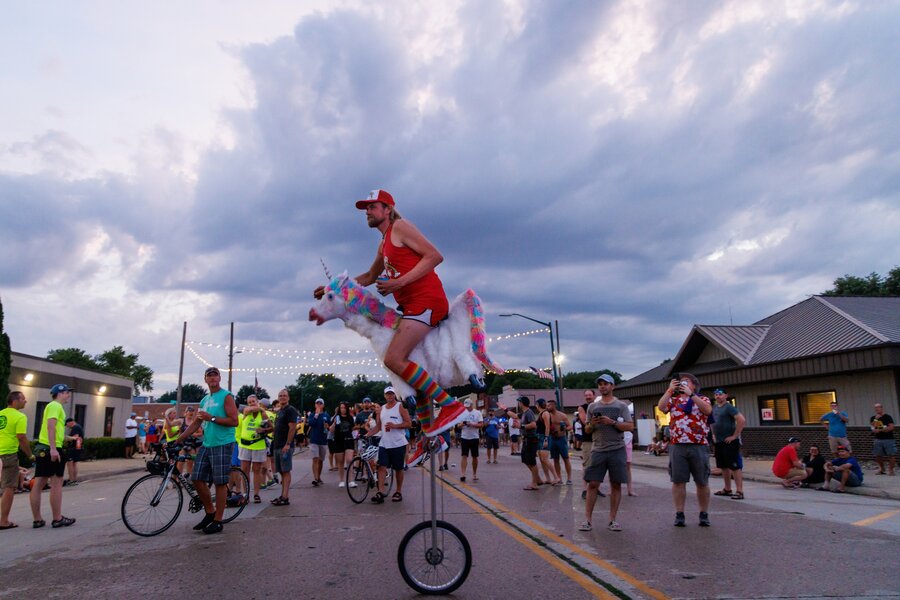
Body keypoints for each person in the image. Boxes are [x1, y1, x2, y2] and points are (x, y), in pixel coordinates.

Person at [314, 189, 466, 439]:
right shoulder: (384, 242)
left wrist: (398, 284)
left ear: (388, 209)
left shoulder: (401, 227)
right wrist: (332, 288)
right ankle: (430, 433)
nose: (367, 211)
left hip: (426, 302)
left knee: (394, 359)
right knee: (412, 369)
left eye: (373, 207)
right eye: (366, 208)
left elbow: (435, 256)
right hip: (412, 307)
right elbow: (369, 277)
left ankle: (451, 405)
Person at [174, 366, 239, 535]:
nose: (212, 378)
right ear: (205, 379)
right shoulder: (204, 400)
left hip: (223, 443)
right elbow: (196, 423)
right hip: (207, 443)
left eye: (215, 375)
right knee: (196, 478)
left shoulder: (226, 396)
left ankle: (218, 520)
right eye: (209, 376)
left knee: (219, 482)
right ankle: (210, 512)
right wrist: (178, 439)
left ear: (219, 378)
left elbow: (234, 421)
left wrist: (212, 418)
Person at [657, 373, 713, 527]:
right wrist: (669, 390)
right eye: (681, 382)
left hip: (698, 445)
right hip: (678, 445)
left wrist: (692, 395)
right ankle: (679, 513)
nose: (683, 384)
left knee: (702, 481)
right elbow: (661, 407)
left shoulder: (702, 398)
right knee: (678, 481)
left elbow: (707, 410)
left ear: (694, 385)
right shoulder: (673, 401)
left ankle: (704, 513)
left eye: (686, 382)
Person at [580, 376, 633, 532]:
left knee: (615, 484)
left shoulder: (621, 406)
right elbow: (587, 430)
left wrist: (613, 422)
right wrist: (592, 424)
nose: (602, 387)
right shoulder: (592, 407)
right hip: (598, 449)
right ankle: (588, 520)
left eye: (606, 384)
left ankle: (612, 520)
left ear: (612, 386)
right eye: (600, 384)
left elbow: (630, 426)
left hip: (617, 449)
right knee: (593, 484)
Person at [30, 384, 76, 529]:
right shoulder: (56, 406)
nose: (69, 395)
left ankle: (37, 519)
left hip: (44, 447)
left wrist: (68, 438)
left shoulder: (52, 406)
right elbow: (51, 426)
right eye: (67, 392)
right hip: (51, 449)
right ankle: (57, 518)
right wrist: (54, 449)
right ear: (60, 393)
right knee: (56, 483)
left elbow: (54, 430)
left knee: (38, 484)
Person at [366, 386, 411, 503]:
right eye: (387, 394)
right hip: (384, 443)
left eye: (391, 394)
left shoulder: (400, 406)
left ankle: (398, 491)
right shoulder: (381, 409)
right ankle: (380, 492)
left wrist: (395, 426)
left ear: (395, 395)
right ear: (384, 395)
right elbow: (378, 426)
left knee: (398, 469)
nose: (389, 396)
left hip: (398, 443)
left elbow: (408, 423)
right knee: (381, 467)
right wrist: (368, 434)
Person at [1, 391, 34, 529]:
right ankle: (3, 521)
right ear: (15, 400)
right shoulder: (20, 416)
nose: (25, 401)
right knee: (9, 487)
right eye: (23, 399)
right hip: (8, 454)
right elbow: (21, 437)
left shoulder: (1, 413)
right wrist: (30, 455)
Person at [710, 388, 745, 500]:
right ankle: (727, 489)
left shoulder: (729, 407)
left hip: (730, 441)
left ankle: (739, 491)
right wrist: (713, 434)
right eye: (716, 394)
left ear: (726, 395)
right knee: (723, 466)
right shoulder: (714, 408)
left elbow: (741, 419)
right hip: (719, 441)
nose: (718, 396)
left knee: (734, 466)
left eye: (720, 394)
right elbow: (711, 421)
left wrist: (735, 435)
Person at [238, 395, 268, 504]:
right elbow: (248, 409)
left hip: (258, 444)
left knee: (256, 470)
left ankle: (256, 493)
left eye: (253, 401)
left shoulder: (262, 414)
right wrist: (259, 407)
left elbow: (270, 427)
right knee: (244, 469)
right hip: (245, 445)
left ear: (257, 401)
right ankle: (245, 494)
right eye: (249, 402)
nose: (251, 403)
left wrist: (263, 430)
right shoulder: (246, 411)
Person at [270, 389, 298, 506]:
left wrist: (288, 444)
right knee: (281, 471)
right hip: (277, 444)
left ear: (288, 397)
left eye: (284, 396)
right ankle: (282, 495)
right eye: (280, 396)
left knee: (286, 471)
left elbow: (292, 428)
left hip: (284, 446)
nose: (282, 397)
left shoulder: (290, 410)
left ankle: (285, 497)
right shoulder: (280, 411)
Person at [510, 396, 541, 490]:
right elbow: (514, 416)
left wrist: (521, 426)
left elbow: (533, 424)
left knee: (531, 461)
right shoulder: (523, 413)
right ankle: (537, 479)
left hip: (531, 439)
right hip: (526, 439)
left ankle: (534, 483)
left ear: (521, 403)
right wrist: (505, 409)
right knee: (525, 459)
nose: (518, 404)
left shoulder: (529, 412)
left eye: (519, 402)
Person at [578, 386, 603, 500]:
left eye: (590, 395)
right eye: (586, 395)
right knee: (587, 465)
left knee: (598, 465)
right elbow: (585, 422)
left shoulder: (600, 406)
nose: (588, 397)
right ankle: (585, 489)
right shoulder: (582, 408)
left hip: (599, 439)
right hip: (588, 439)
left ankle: (596, 488)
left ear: (594, 395)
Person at [330, 402, 356, 488]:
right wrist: (334, 423)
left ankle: (351, 480)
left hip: (348, 440)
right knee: (340, 462)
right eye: (341, 408)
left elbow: (352, 428)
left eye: (344, 408)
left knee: (349, 460)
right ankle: (341, 480)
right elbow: (331, 430)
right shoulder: (336, 417)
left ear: (347, 409)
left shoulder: (350, 418)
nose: (343, 409)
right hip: (338, 441)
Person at [546, 399, 572, 485]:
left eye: (549, 405)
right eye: (547, 405)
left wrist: (565, 428)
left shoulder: (562, 415)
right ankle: (559, 478)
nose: (547, 407)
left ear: (554, 405)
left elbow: (569, 427)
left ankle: (569, 478)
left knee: (566, 458)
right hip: (552, 439)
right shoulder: (547, 416)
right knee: (555, 459)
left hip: (561, 439)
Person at [535, 399, 559, 485]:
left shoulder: (545, 413)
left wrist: (546, 439)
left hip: (544, 437)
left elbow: (547, 427)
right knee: (542, 459)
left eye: (536, 404)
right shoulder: (540, 413)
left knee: (545, 459)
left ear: (538, 404)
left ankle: (556, 477)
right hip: (539, 437)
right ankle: (548, 478)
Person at [307, 398, 329, 486]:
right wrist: (316, 415)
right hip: (314, 440)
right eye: (317, 403)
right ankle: (315, 478)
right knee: (315, 459)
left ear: (323, 405)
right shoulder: (312, 415)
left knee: (320, 460)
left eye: (320, 403)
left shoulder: (326, 415)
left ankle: (319, 477)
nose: (319, 405)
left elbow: (329, 427)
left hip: (323, 440)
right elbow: (311, 423)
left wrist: (328, 426)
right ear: (315, 405)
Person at [458, 399, 481, 482]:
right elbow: (458, 426)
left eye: (468, 406)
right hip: (464, 437)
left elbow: (481, 424)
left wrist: (472, 424)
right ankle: (463, 474)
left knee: (474, 456)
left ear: (472, 405)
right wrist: (462, 424)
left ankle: (474, 474)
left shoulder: (477, 413)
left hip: (474, 437)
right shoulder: (462, 413)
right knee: (464, 455)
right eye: (465, 407)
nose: (467, 408)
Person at [869, 403, 896, 476]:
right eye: (875, 408)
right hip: (878, 439)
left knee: (891, 454)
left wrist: (881, 430)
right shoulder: (873, 418)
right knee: (878, 455)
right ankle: (882, 469)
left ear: (882, 408)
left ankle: (891, 470)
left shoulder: (887, 417)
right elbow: (872, 428)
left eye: (878, 407)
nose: (877, 409)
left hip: (888, 438)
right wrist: (876, 419)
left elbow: (891, 427)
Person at [63, 417, 84, 486]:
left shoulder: (75, 427)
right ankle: (74, 480)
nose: (67, 427)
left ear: (70, 422)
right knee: (74, 464)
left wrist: (66, 438)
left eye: (67, 425)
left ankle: (71, 480)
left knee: (70, 463)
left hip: (73, 448)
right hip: (77, 448)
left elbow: (75, 437)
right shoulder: (78, 427)